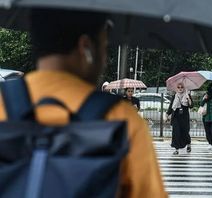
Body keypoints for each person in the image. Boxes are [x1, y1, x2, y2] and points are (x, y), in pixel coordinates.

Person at [0, 9, 167, 198]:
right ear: (85, 46)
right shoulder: (121, 119)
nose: (104, 59)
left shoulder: (2, 104)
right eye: (104, 46)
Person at [166, 83, 193, 155]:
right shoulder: (175, 95)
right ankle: (176, 149)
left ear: (184, 88)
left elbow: (191, 106)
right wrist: (167, 114)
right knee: (176, 133)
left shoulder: (187, 95)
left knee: (185, 132)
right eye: (178, 87)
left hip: (184, 117)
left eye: (182, 87)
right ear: (176, 88)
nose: (180, 88)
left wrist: (189, 100)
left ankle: (188, 144)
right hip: (176, 116)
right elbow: (171, 106)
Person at [200, 83, 212, 150]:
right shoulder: (206, 95)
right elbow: (201, 104)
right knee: (207, 131)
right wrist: (205, 99)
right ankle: (210, 143)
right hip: (206, 116)